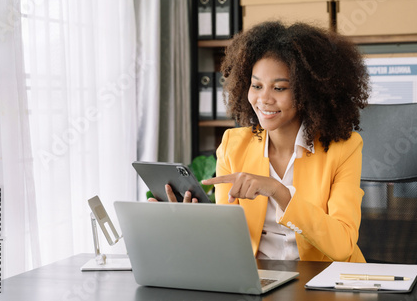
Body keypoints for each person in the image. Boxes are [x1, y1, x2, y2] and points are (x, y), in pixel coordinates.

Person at [154, 20, 370, 263]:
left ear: (309, 92)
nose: (263, 99)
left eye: (279, 88)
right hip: (260, 282)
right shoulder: (233, 146)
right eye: (256, 86)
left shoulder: (344, 148)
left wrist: (278, 191)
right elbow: (229, 243)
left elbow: (342, 246)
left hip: (323, 283)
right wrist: (190, 224)